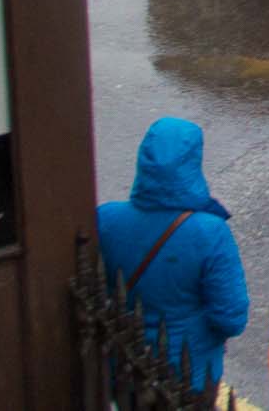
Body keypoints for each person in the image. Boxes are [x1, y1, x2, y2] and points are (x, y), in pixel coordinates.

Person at [95, 118, 249, 402]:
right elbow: (231, 318)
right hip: (189, 375)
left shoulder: (105, 219)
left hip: (127, 366)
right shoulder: (210, 232)